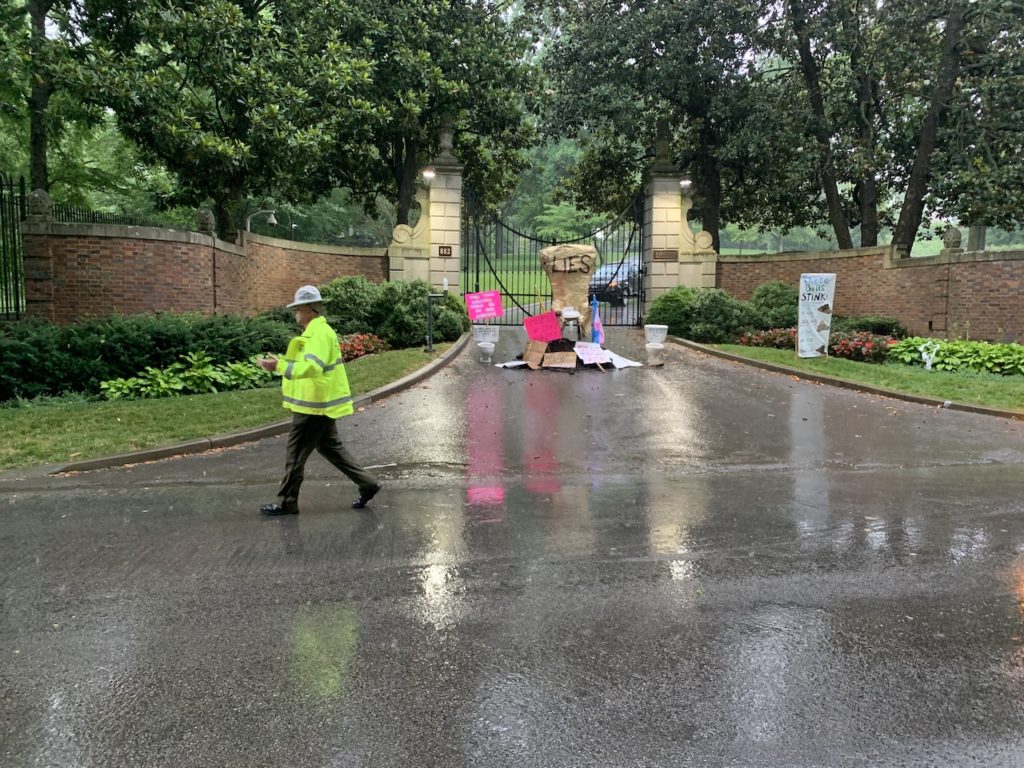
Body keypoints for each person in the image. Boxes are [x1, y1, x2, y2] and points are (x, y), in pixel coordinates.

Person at [257, 285, 381, 516]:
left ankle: (287, 502)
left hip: (313, 407)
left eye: (297, 309)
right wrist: (280, 365)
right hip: (317, 404)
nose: (295, 313)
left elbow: (313, 367)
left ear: (308, 309)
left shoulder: (318, 334)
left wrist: (279, 366)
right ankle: (368, 484)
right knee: (332, 449)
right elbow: (311, 366)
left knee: (295, 455)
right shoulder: (317, 332)